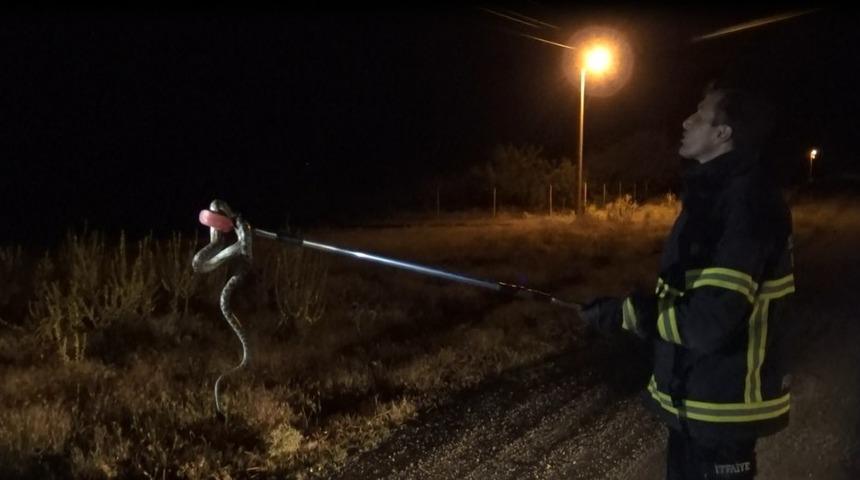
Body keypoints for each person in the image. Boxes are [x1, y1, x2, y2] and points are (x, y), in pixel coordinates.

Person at [582, 79, 795, 479]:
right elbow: (692, 290)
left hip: (722, 406)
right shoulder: (715, 195)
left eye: (699, 114)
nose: (685, 121)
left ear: (722, 133)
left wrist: (635, 315)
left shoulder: (745, 202)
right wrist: (624, 309)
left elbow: (710, 321)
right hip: (698, 401)